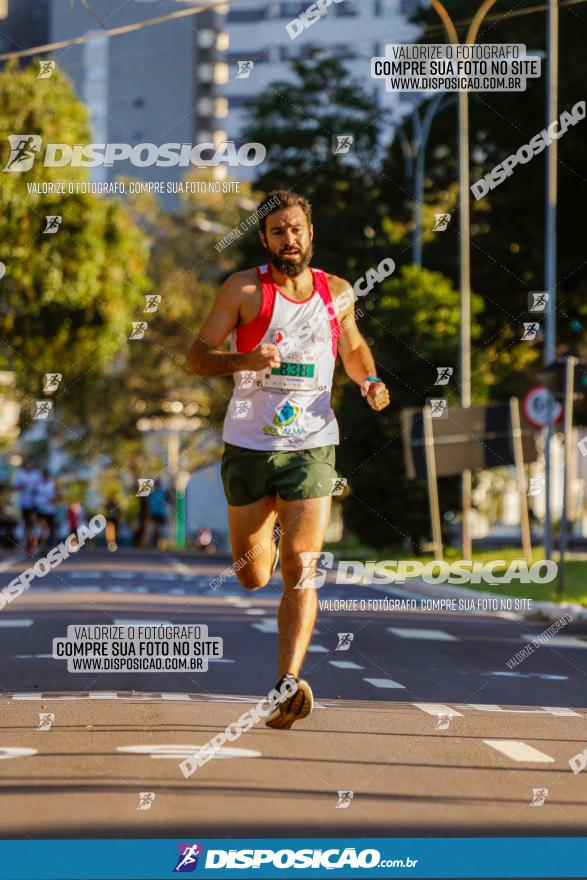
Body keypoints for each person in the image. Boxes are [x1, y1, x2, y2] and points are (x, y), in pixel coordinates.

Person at [187, 190, 390, 729]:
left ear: (310, 233)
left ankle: (285, 685)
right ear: (265, 239)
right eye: (277, 231)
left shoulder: (337, 293)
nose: (288, 239)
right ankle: (267, 543)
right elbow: (196, 357)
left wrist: (368, 379)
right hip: (250, 446)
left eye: (296, 228)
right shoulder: (244, 289)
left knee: (303, 569)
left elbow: (352, 348)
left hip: (312, 443)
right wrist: (245, 358)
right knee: (254, 575)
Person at [13, 459, 42, 556]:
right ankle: (27, 545)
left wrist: (36, 490)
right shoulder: (21, 474)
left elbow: (41, 487)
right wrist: (21, 486)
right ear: (25, 465)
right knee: (27, 525)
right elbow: (16, 487)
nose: (29, 466)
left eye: (31, 464)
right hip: (25, 503)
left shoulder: (36, 474)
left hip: (35, 503)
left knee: (34, 524)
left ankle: (34, 545)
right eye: (28, 464)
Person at [36, 469, 59, 551]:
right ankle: (43, 547)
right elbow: (33, 493)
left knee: (52, 530)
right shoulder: (38, 484)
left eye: (47, 475)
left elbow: (59, 495)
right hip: (41, 509)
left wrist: (54, 499)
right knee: (43, 528)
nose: (46, 477)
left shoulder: (53, 484)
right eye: (44, 475)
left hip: (50, 510)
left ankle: (53, 546)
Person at [147, 479, 168, 548]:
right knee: (155, 528)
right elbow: (149, 504)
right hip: (155, 513)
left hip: (160, 513)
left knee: (159, 529)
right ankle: (154, 543)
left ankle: (160, 543)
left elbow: (167, 501)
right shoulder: (153, 493)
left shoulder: (161, 493)